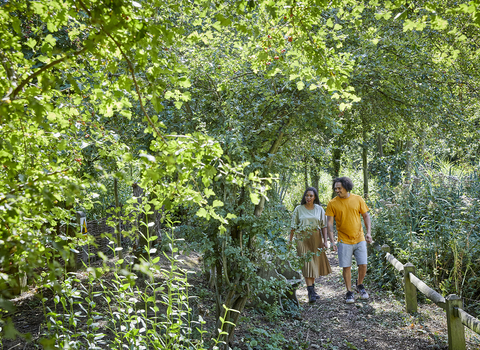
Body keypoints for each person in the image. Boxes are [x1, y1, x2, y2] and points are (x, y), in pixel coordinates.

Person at [326, 177, 372, 304]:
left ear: (346, 187)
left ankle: (360, 285)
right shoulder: (332, 203)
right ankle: (349, 292)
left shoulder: (358, 199)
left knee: (363, 264)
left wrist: (368, 233)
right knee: (346, 267)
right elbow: (329, 224)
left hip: (360, 238)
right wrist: (332, 241)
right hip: (343, 240)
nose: (337, 190)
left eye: (339, 188)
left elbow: (366, 215)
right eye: (335, 188)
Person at [289, 187, 332, 303]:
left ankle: (312, 289)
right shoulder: (299, 209)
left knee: (313, 263)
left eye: (311, 196)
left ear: (315, 197)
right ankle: (310, 292)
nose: (308, 198)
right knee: (307, 264)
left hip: (316, 238)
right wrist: (289, 241)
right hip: (302, 238)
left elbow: (323, 226)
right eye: (307, 195)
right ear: (304, 196)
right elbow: (293, 226)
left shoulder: (319, 209)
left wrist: (325, 241)